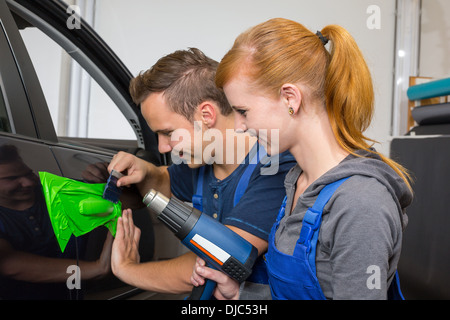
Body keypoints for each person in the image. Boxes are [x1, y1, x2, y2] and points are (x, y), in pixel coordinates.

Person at [190, 18, 414, 300]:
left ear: (290, 99)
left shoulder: (360, 203)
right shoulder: (297, 181)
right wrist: (243, 295)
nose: (239, 126)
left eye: (243, 111)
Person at [108, 48, 296, 299]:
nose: (163, 147)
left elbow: (217, 259)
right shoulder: (203, 162)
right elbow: (164, 180)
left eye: (168, 133)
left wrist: (128, 270)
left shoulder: (277, 169)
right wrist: (145, 171)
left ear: (206, 115)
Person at [0, 144, 112, 300]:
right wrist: (97, 268)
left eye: (29, 173)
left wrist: (111, 181)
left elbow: (122, 204)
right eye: (12, 178)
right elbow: (8, 263)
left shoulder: (56, 193)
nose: (28, 183)